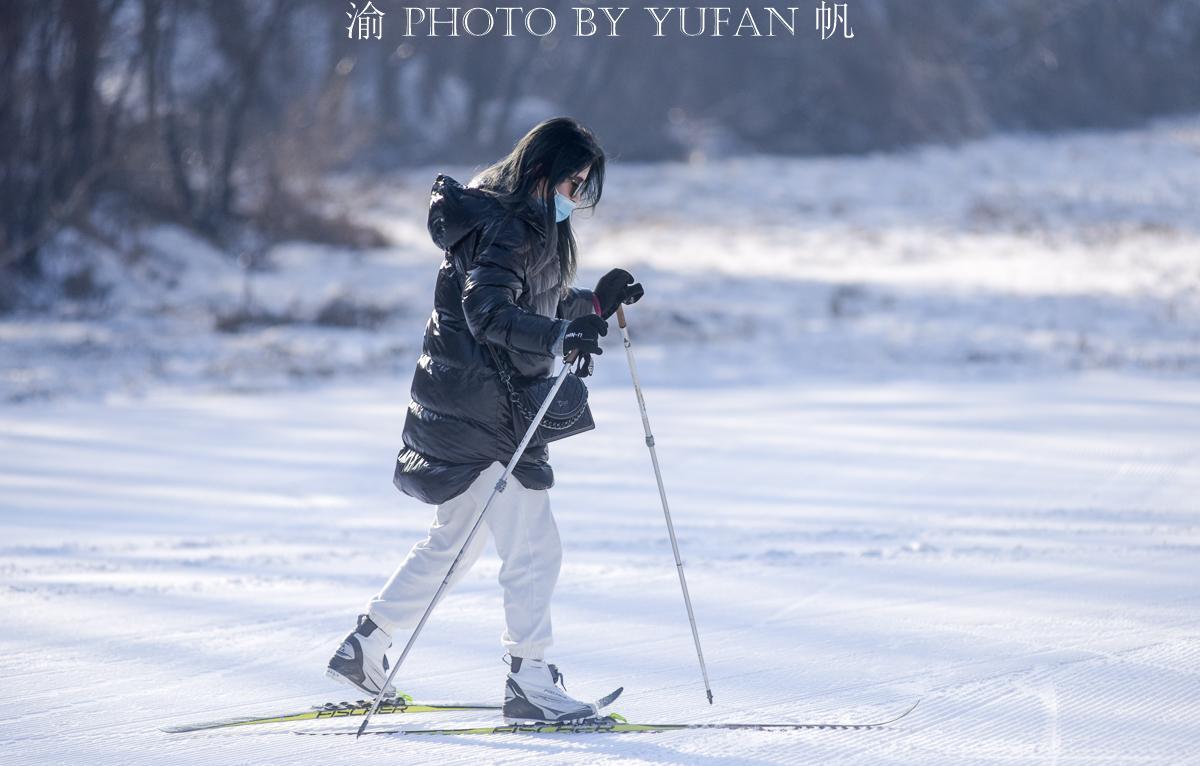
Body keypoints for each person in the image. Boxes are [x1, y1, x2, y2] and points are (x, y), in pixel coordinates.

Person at [326, 117, 644, 723]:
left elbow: (531, 304)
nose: (575, 197)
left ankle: (364, 646)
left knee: (456, 542)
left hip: (474, 408)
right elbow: (489, 313)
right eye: (572, 183)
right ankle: (529, 680)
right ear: (541, 173)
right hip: (487, 413)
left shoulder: (515, 223)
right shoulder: (506, 227)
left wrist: (593, 306)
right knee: (532, 547)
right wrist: (559, 334)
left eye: (584, 188)